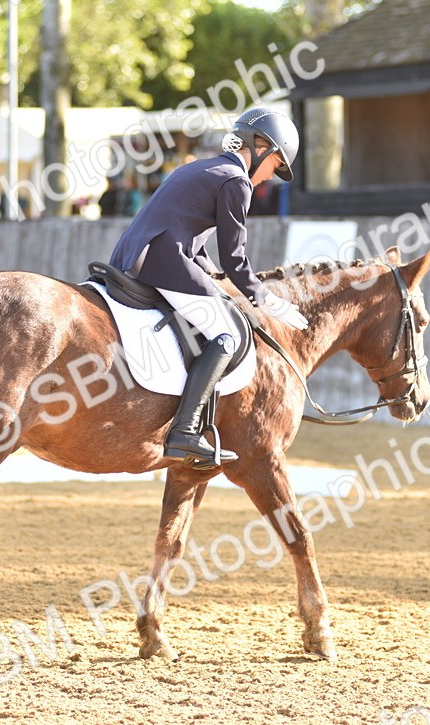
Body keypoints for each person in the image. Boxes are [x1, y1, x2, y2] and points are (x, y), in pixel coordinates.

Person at [108, 107, 309, 467]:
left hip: (133, 253)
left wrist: (214, 280)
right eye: (275, 166)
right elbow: (235, 258)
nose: (269, 178)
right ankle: (184, 432)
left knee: (215, 310)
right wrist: (265, 299)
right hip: (162, 261)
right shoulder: (236, 180)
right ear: (262, 149)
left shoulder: (199, 166)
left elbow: (193, 237)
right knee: (226, 336)